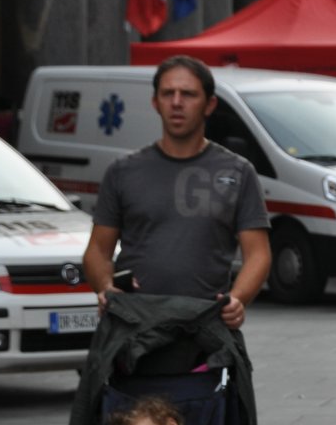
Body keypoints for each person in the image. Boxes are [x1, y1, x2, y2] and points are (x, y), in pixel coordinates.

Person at [83, 55, 271, 335]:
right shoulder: (122, 171)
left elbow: (258, 253)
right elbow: (97, 250)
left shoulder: (239, 172)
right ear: (155, 102)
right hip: (135, 329)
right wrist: (106, 287)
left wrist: (238, 298)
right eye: (168, 93)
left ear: (210, 105)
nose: (176, 102)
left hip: (206, 329)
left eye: (188, 94)